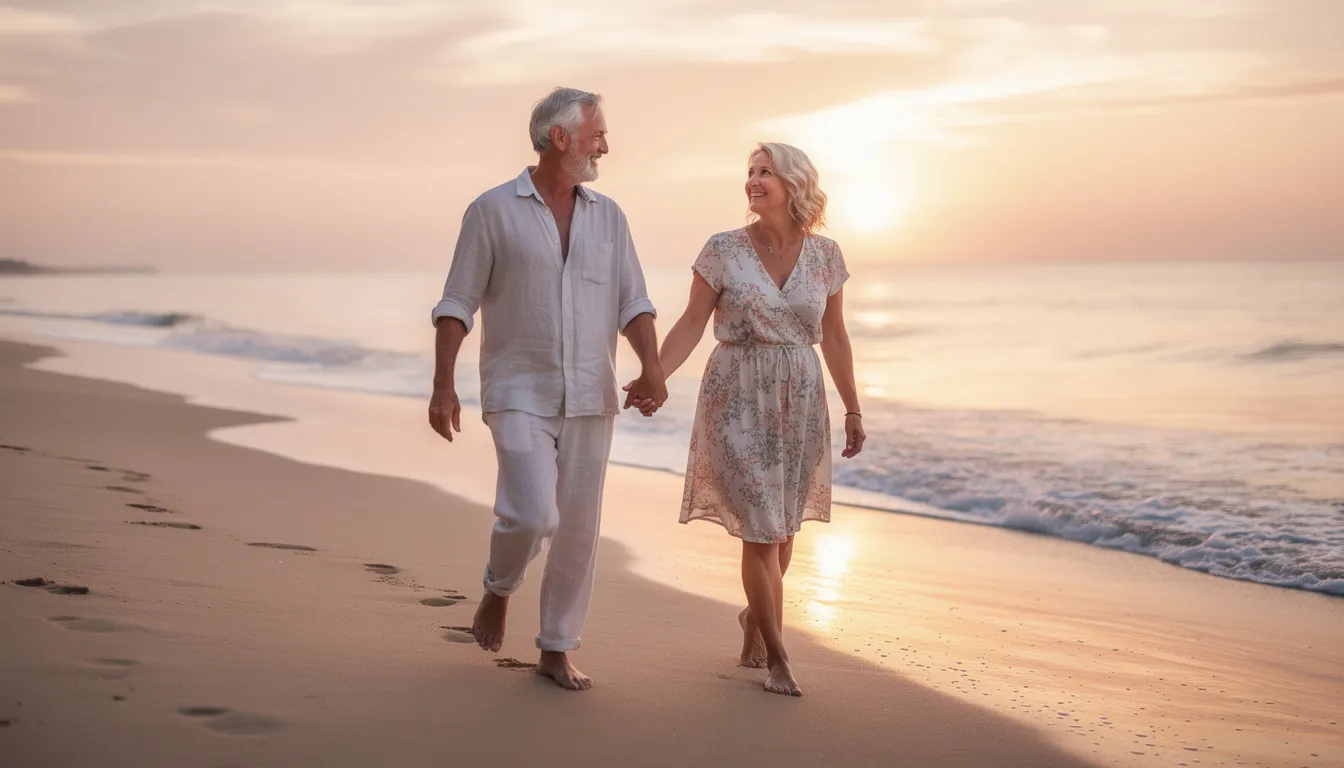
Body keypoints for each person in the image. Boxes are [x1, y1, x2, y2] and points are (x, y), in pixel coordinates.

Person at [428, 87, 666, 691]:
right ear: (560, 138)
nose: (604, 146)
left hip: (591, 392)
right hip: (517, 388)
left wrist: (653, 367)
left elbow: (633, 300)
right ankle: (499, 588)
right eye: (596, 134)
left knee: (578, 530)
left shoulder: (609, 216)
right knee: (533, 514)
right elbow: (457, 303)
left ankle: (556, 649)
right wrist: (443, 385)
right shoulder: (491, 210)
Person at [644, 142, 864, 697]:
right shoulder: (722, 249)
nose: (753, 180)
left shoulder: (826, 256)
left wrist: (853, 407)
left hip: (801, 398)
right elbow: (692, 322)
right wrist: (656, 374)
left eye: (766, 172)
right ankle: (779, 659)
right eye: (750, 172)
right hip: (736, 394)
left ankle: (754, 618)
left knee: (783, 528)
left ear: (794, 184)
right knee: (762, 532)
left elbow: (835, 337)